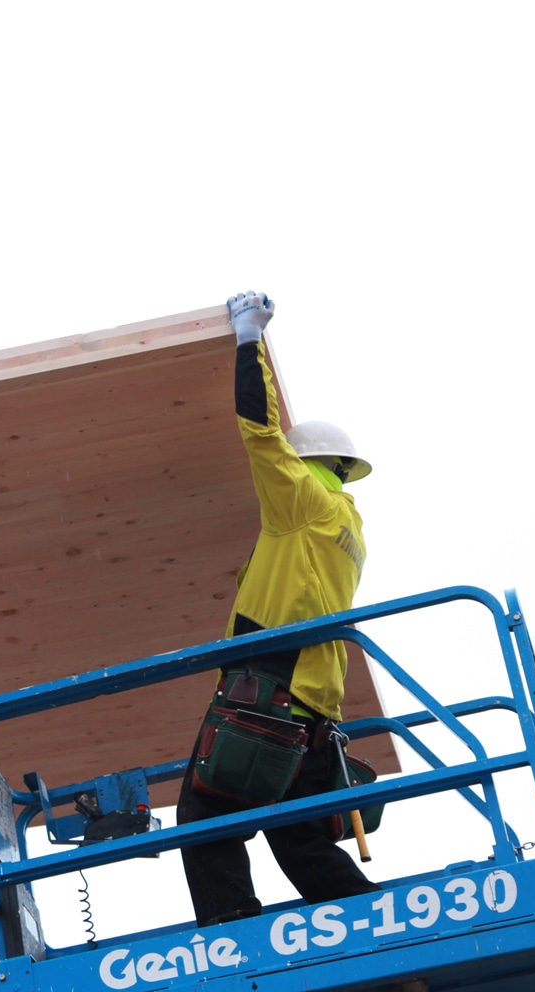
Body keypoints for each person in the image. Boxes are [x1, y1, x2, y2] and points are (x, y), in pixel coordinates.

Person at [177, 291, 378, 927]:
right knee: (297, 835)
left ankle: (230, 932)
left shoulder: (302, 503)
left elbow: (261, 433)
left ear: (306, 463)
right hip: (317, 707)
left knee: (203, 817)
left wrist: (249, 339)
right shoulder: (348, 527)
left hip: (266, 694)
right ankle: (366, 918)